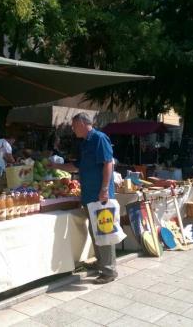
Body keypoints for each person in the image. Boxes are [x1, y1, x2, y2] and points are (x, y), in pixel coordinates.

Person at [50, 112, 117, 284]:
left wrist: (104, 189)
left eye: (73, 126)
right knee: (95, 231)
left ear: (81, 123)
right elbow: (76, 166)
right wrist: (56, 165)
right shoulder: (84, 142)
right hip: (88, 194)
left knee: (104, 230)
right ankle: (102, 263)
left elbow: (108, 163)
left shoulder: (99, 139)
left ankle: (109, 271)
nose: (72, 129)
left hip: (99, 194)